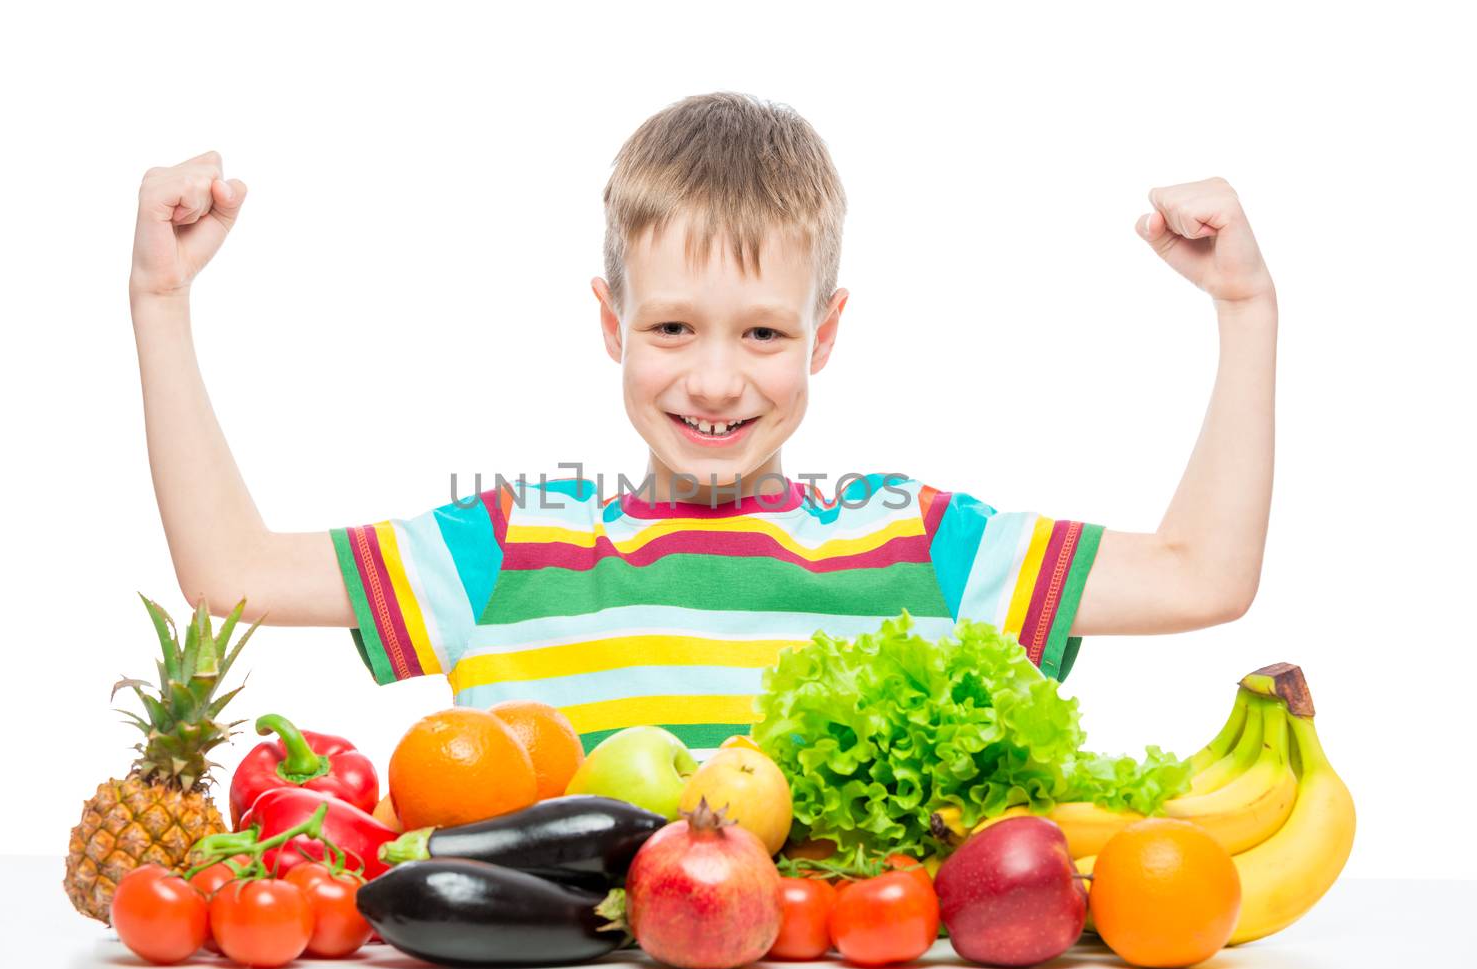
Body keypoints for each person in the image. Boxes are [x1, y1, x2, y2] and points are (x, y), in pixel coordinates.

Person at [128, 92, 1276, 753]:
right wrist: (161, 303)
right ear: (609, 321)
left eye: (763, 336)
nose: (717, 382)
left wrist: (1245, 312)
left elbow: (1199, 578)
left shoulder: (923, 548)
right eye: (672, 330)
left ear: (824, 336)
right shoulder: (508, 547)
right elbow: (231, 575)